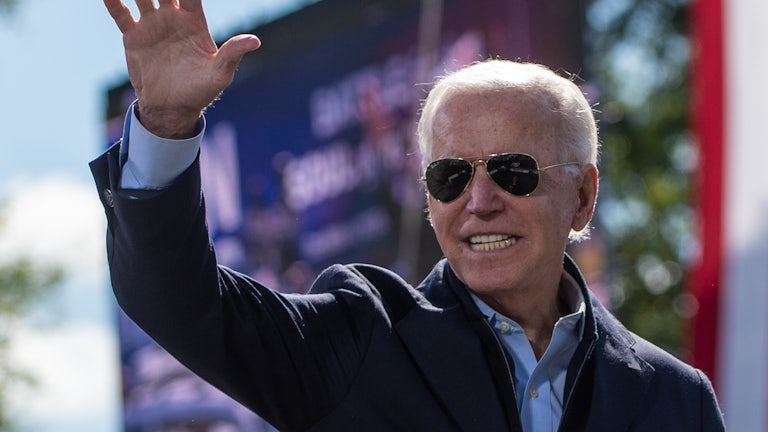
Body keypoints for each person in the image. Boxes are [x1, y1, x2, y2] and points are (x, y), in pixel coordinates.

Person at [92, 1, 726, 431]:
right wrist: (167, 125)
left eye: (513, 171)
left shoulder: (675, 399)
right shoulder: (360, 338)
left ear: (583, 197)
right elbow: (177, 302)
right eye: (450, 177)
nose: (479, 202)